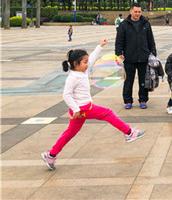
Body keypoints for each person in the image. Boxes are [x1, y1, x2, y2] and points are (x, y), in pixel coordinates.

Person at [41, 40, 146, 171]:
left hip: (81, 110)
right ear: (75, 64)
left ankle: (50, 155)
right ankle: (129, 132)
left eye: (86, 62)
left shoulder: (82, 71)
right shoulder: (73, 77)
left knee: (69, 133)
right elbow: (66, 95)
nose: (87, 64)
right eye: (84, 62)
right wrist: (76, 109)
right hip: (83, 109)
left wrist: (99, 46)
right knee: (108, 113)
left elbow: (92, 59)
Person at [115, 3, 157, 110]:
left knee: (144, 80)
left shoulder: (146, 23)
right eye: (136, 12)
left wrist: (153, 54)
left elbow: (151, 40)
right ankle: (128, 100)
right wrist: (118, 55)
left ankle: (143, 99)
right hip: (129, 58)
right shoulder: (124, 25)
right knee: (128, 80)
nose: (138, 14)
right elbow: (119, 42)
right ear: (130, 11)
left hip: (144, 57)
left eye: (139, 12)